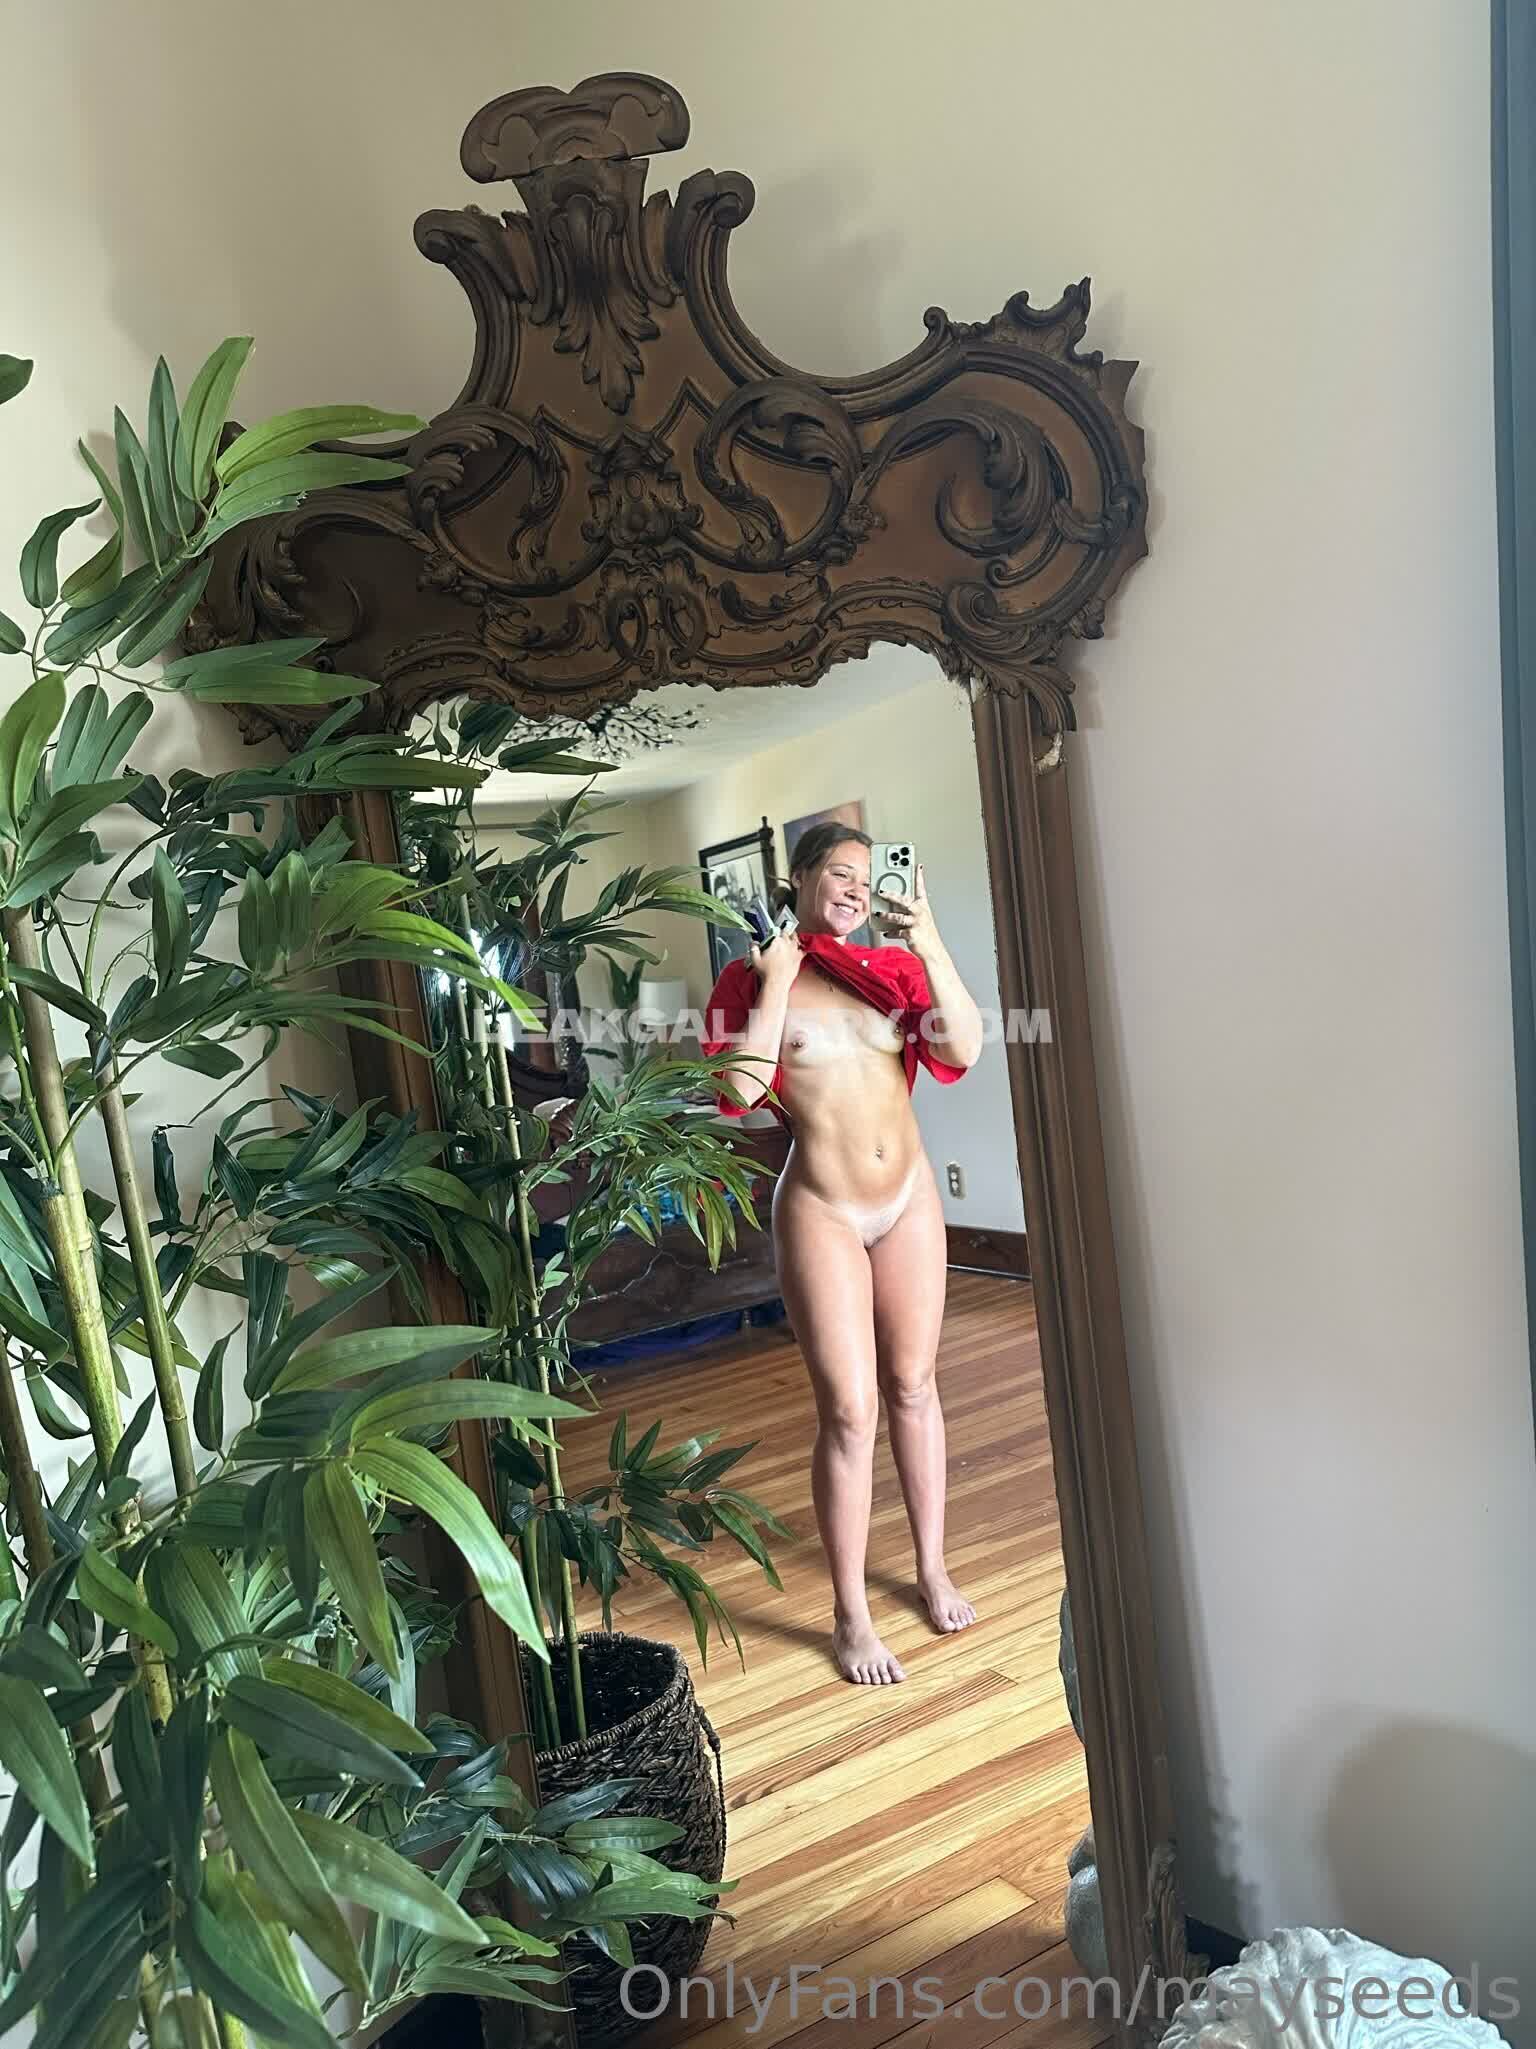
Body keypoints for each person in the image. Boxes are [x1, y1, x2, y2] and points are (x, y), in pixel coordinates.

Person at [702, 825, 985, 1685]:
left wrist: (927, 938)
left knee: (915, 1385)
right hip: (822, 1208)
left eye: (869, 875)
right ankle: (851, 1613)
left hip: (908, 1198)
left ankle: (932, 1568)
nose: (859, 888)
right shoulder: (752, 978)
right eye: (840, 872)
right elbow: (737, 1090)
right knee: (852, 1411)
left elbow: (963, 1047)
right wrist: (775, 981)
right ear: (798, 878)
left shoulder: (892, 970)